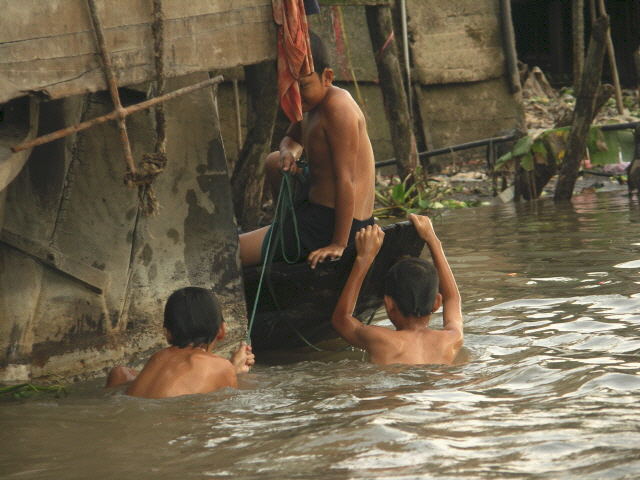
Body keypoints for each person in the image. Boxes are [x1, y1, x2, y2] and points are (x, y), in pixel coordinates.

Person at [239, 31, 375, 269]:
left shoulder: (338, 108)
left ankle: (287, 238)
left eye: (302, 86)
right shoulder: (311, 104)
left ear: (327, 77)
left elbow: (347, 181)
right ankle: (285, 230)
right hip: (314, 210)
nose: (295, 95)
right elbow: (291, 139)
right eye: (288, 87)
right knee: (273, 161)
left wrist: (338, 244)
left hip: (334, 223)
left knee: (231, 253)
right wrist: (287, 152)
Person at [331, 214, 463, 365]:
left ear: (388, 303)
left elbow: (341, 319)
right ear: (437, 302)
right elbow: (453, 299)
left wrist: (364, 258)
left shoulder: (380, 339)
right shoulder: (450, 339)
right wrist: (432, 240)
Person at [106, 287, 255, 398]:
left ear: (167, 334)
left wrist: (231, 369)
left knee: (120, 373)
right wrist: (232, 370)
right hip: (168, 422)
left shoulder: (158, 358)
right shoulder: (221, 367)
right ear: (222, 330)